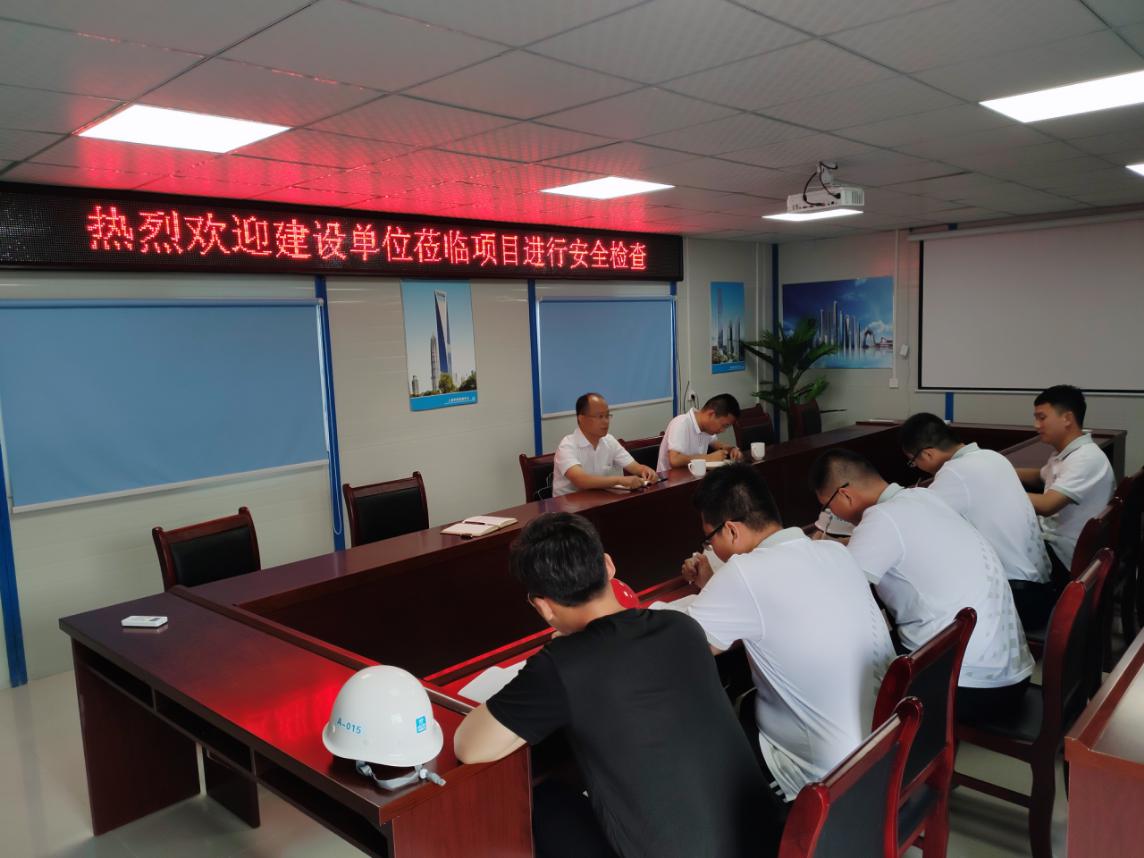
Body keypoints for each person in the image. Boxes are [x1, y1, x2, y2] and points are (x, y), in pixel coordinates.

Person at [454, 512, 770, 858]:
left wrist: (558, 656)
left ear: (543, 607)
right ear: (608, 566)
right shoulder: (681, 627)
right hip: (764, 842)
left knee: (540, 800)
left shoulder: (562, 665)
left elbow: (470, 748)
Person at [674, 464, 894, 809]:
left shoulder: (744, 573)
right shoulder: (834, 552)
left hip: (828, 774)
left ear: (731, 530)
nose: (711, 547)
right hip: (888, 742)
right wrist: (714, 586)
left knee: (702, 743)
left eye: (710, 538)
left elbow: (685, 644)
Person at [810, 449, 1034, 723]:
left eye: (828, 507)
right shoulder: (924, 497)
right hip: (1008, 677)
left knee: (842, 654)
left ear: (844, 494)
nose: (832, 514)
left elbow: (837, 591)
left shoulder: (881, 519)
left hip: (968, 688)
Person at [900, 413, 1054, 629]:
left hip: (1018, 599)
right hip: (1042, 587)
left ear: (927, 454)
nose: (917, 467)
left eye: (913, 461)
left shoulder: (955, 472)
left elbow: (914, 523)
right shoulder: (992, 457)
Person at [1015, 385, 1115, 577]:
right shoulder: (1067, 452)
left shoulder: (1085, 458)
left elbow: (1047, 505)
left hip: (1066, 554)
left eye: (1042, 418)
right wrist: (1005, 470)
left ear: (1067, 418)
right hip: (1059, 541)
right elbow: (1040, 476)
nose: (1036, 425)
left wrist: (1001, 490)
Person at [552, 393, 659, 497]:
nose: (606, 421)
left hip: (601, 501)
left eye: (607, 416)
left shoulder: (609, 441)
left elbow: (635, 467)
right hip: (569, 506)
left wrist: (646, 471)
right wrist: (619, 480)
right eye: (600, 416)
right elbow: (581, 480)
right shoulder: (567, 446)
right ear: (582, 418)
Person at [656, 394, 743, 472]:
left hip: (694, 476)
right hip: (670, 481)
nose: (723, 430)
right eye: (724, 425)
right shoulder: (681, 422)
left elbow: (717, 444)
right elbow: (674, 460)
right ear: (711, 414)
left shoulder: (706, 429)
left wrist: (732, 449)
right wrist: (707, 458)